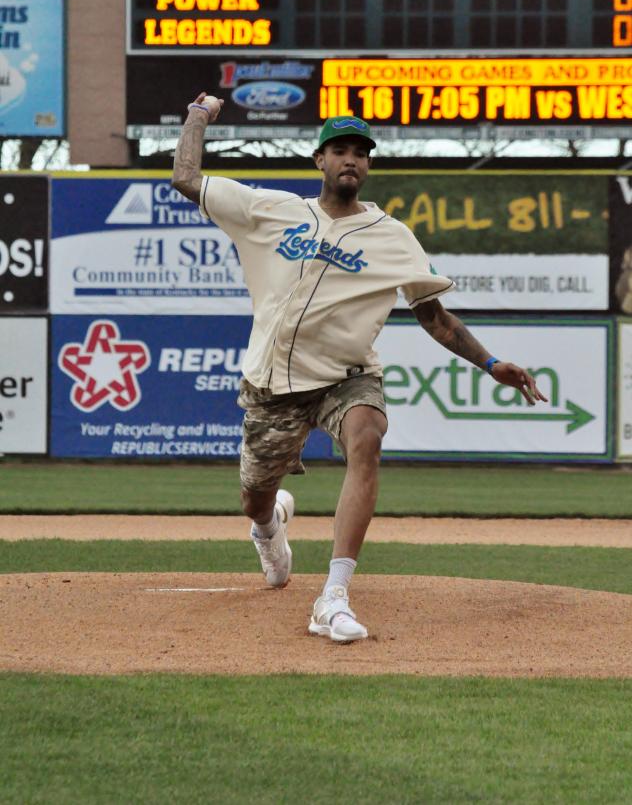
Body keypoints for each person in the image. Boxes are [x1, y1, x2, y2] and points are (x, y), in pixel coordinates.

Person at [172, 93, 547, 644]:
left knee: (368, 435)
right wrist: (197, 116)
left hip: (346, 376)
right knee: (254, 495)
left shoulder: (393, 238)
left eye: (360, 152)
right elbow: (187, 177)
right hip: (273, 385)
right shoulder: (272, 210)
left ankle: (334, 595)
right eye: (340, 149)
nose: (351, 159)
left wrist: (490, 362)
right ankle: (269, 524)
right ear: (319, 160)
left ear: (368, 166)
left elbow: (434, 317)